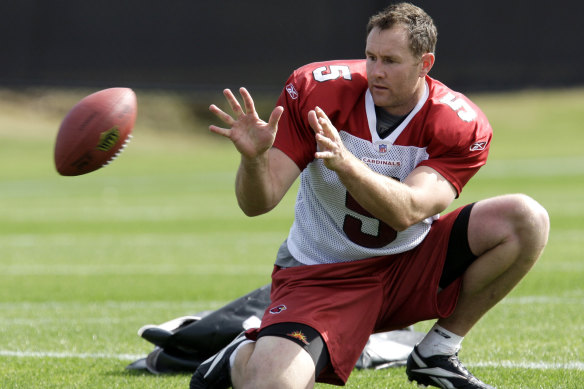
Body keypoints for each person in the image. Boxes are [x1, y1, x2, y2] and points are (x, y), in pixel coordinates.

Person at [190, 3, 550, 389]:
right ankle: (240, 356)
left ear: (425, 63)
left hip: (408, 266)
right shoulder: (318, 90)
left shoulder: (457, 122)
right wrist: (255, 161)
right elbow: (257, 203)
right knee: (274, 385)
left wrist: (348, 163)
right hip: (322, 276)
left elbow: (408, 211)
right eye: (371, 56)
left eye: (391, 61)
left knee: (526, 218)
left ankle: (438, 351)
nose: (375, 71)